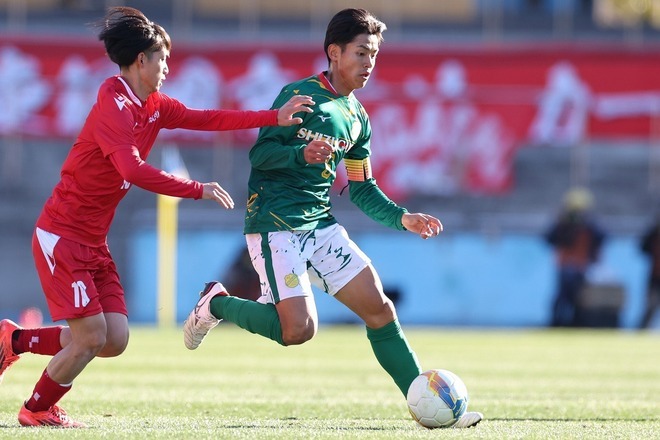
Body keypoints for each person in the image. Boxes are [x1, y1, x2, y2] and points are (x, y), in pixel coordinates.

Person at [0, 6, 313, 428]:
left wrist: (271, 117)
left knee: (114, 340)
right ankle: (35, 410)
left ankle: (15, 339)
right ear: (142, 60)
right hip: (63, 236)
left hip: (93, 240)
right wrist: (194, 189)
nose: (168, 67)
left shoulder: (155, 104)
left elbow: (207, 118)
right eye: (163, 58)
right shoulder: (113, 102)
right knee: (91, 337)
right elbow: (130, 168)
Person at [183, 8, 483, 428]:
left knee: (380, 309)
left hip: (320, 227)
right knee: (298, 331)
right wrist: (298, 153)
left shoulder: (358, 119)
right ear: (334, 52)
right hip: (276, 225)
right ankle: (216, 303)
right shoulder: (300, 96)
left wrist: (403, 218)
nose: (368, 64)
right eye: (361, 54)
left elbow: (360, 186)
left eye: (374, 55)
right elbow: (260, 155)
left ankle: (425, 402)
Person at [545, 187, 605, 327]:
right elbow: (549, 238)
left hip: (580, 266)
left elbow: (602, 237)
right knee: (563, 297)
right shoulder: (562, 225)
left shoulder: (589, 226)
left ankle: (576, 323)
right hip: (565, 265)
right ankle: (557, 323)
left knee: (579, 298)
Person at [639, 217, 660, 329]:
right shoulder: (653, 234)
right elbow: (643, 248)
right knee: (650, 307)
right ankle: (643, 330)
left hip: (654, 276)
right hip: (655, 276)